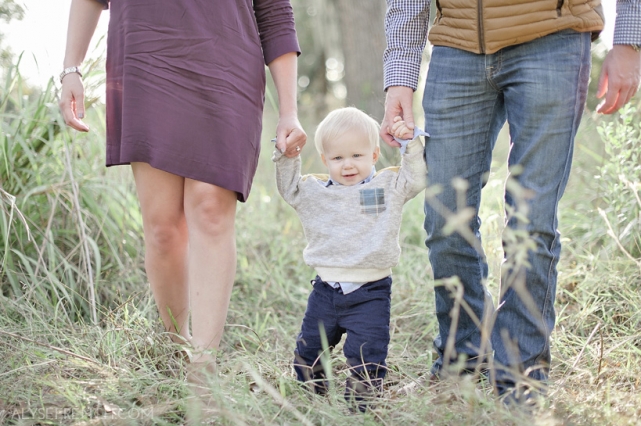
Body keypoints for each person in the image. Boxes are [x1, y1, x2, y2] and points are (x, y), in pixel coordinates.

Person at [380, 0, 641, 398]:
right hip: (457, 44)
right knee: (445, 218)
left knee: (530, 221)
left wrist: (629, 40)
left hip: (552, 38)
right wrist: (400, 71)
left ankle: (520, 372)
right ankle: (464, 358)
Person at [58, 0, 307, 378]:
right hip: (145, 58)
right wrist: (71, 69)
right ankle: (174, 350)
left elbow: (273, 11)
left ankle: (203, 367)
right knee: (163, 229)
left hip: (227, 59)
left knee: (210, 209)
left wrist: (288, 110)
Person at [272, 107, 427, 411]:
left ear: (374, 154)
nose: (348, 165)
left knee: (368, 354)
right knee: (309, 350)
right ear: (325, 160)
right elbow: (288, 188)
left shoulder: (384, 187)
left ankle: (360, 408)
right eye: (338, 158)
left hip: (371, 292)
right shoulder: (313, 191)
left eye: (357, 155)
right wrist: (287, 156)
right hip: (325, 291)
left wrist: (410, 144)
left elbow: (415, 180)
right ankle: (313, 399)